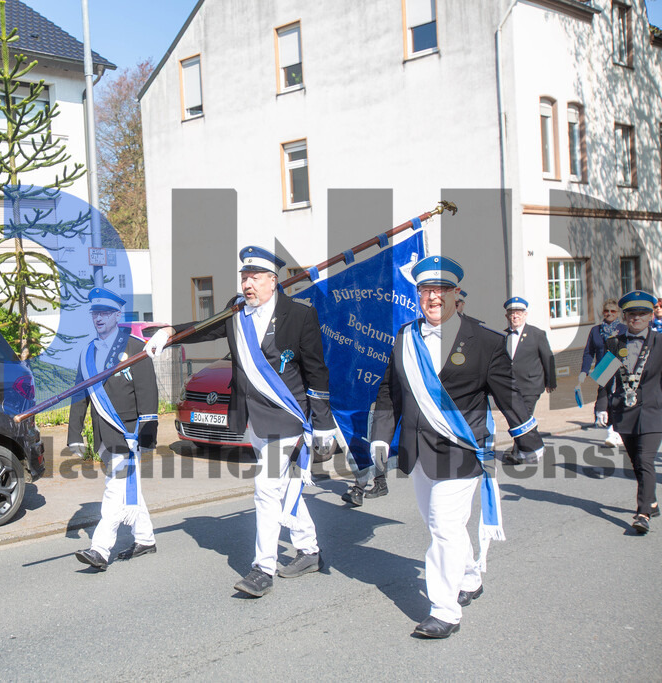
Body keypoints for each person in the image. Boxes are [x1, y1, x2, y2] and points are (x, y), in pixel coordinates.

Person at [144, 246, 338, 597]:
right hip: (254, 418)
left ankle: (262, 568)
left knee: (266, 488)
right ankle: (309, 550)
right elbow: (201, 330)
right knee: (288, 486)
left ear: (272, 281)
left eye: (255, 278)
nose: (248, 284)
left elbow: (316, 372)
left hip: (288, 417)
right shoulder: (236, 314)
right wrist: (168, 332)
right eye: (244, 278)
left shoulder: (299, 315)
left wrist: (323, 423)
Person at [370, 255, 544, 639]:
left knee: (444, 527)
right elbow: (389, 392)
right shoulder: (404, 338)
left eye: (442, 290)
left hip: (461, 451)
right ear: (418, 294)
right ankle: (469, 576)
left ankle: (443, 610)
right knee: (440, 525)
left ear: (456, 294)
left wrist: (528, 438)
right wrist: (381, 435)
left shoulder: (485, 341)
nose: (434, 297)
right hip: (418, 452)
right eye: (426, 290)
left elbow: (509, 394)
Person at [68, 287, 160, 570]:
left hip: (130, 433)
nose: (99, 318)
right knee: (127, 488)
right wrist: (74, 435)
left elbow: (148, 394)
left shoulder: (134, 347)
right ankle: (145, 538)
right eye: (95, 313)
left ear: (118, 315)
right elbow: (79, 394)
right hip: (103, 433)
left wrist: (147, 436)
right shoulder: (87, 353)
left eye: (105, 313)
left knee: (115, 488)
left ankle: (100, 548)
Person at [594, 290, 662, 534]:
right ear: (625, 317)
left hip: (654, 411)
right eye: (632, 314)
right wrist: (601, 407)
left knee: (645, 459)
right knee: (636, 461)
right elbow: (603, 378)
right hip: (624, 410)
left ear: (651, 316)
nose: (636, 318)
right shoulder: (614, 343)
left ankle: (642, 513)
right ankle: (652, 502)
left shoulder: (660, 343)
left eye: (642, 314)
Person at [501, 297, 556, 464]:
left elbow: (548, 358)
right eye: (511, 313)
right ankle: (534, 445)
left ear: (525, 315)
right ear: (507, 316)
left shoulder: (537, 334)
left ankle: (518, 452)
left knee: (523, 417)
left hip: (531, 384)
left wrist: (550, 381)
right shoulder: (504, 336)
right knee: (518, 418)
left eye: (518, 313)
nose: (515, 316)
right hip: (511, 386)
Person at [578, 299, 625, 448]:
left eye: (613, 311)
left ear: (618, 313)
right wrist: (584, 371)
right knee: (605, 397)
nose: (609, 314)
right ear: (602, 312)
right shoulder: (596, 331)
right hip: (602, 369)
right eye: (606, 311)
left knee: (615, 400)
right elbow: (588, 352)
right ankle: (612, 430)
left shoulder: (624, 329)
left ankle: (615, 431)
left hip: (620, 370)